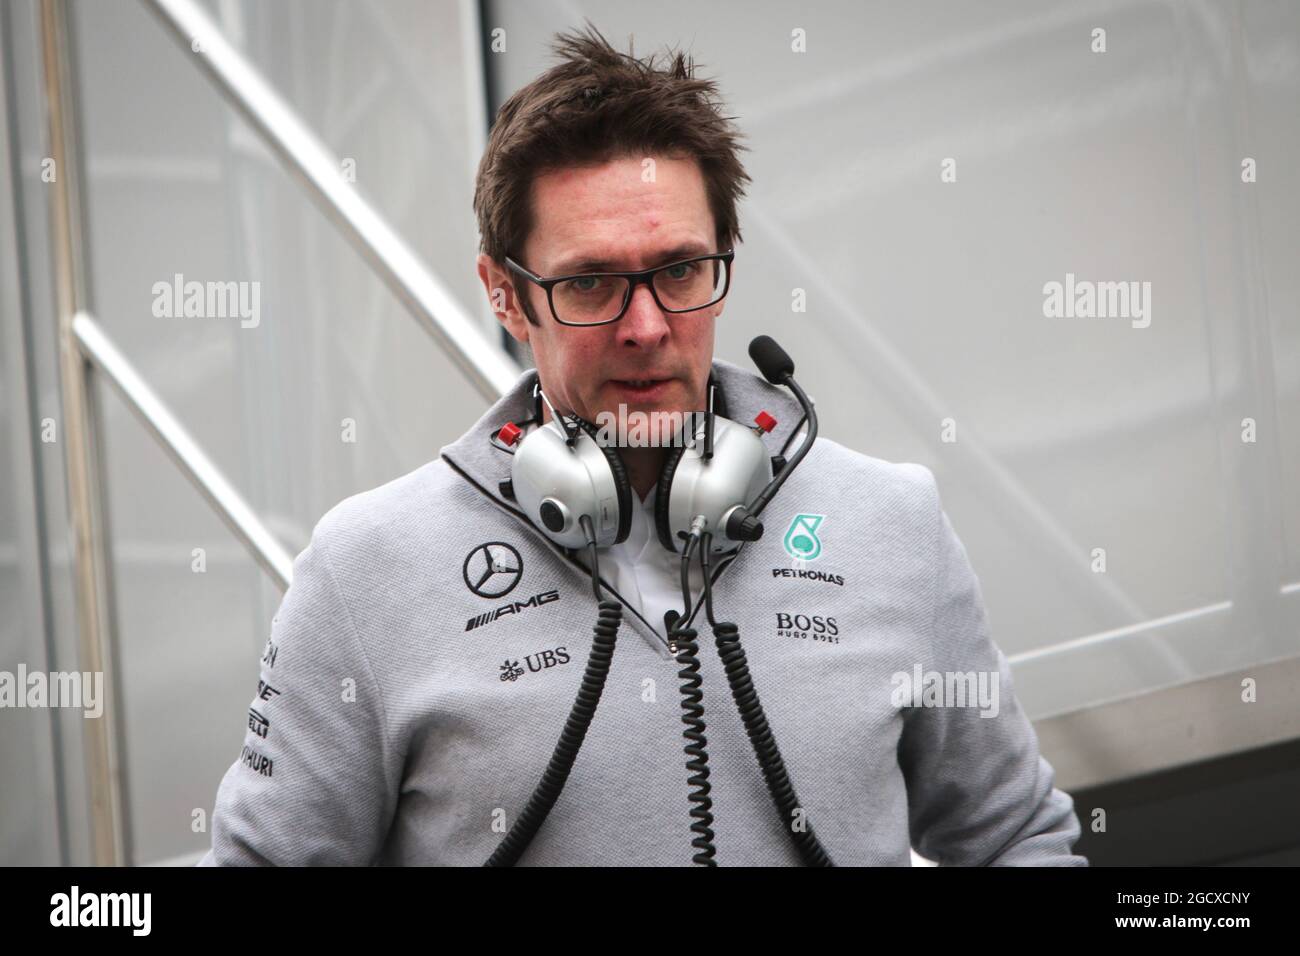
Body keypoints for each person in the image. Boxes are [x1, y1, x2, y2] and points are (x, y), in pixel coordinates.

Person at [199, 24, 1086, 867]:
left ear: (724, 258)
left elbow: (1016, 838)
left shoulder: (891, 524)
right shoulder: (367, 574)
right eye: (589, 283)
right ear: (504, 296)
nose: (647, 326)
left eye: (679, 269)